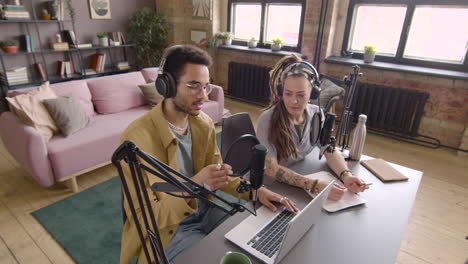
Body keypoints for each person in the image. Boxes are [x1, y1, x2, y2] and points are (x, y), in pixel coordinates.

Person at [119, 45, 297, 264]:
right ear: (167, 86)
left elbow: (218, 175)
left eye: (206, 86)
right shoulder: (137, 139)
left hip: (204, 210)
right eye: (194, 86)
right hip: (168, 231)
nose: (203, 95)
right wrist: (195, 185)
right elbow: (144, 218)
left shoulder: (203, 123)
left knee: (253, 244)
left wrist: (256, 191)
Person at [257, 54, 369, 201]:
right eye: (288, 94)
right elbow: (271, 169)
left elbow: (328, 149)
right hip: (270, 188)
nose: (294, 101)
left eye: (301, 95)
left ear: (313, 93)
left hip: (298, 179)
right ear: (281, 91)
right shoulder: (267, 119)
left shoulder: (317, 115)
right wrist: (313, 184)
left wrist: (346, 176)